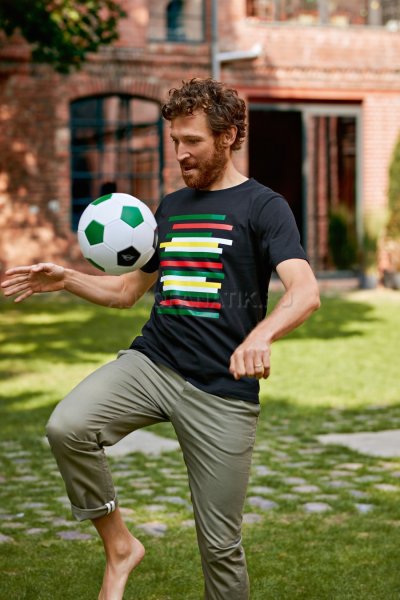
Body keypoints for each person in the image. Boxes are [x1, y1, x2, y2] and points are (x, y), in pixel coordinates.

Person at [1, 78, 320, 600]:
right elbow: (128, 291)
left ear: (228, 136)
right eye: (174, 140)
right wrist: (66, 279)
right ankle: (121, 547)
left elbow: (305, 292)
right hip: (154, 364)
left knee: (220, 547)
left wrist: (261, 336)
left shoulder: (264, 207)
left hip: (222, 389)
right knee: (68, 427)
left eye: (192, 140)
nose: (180, 153)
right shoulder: (170, 207)